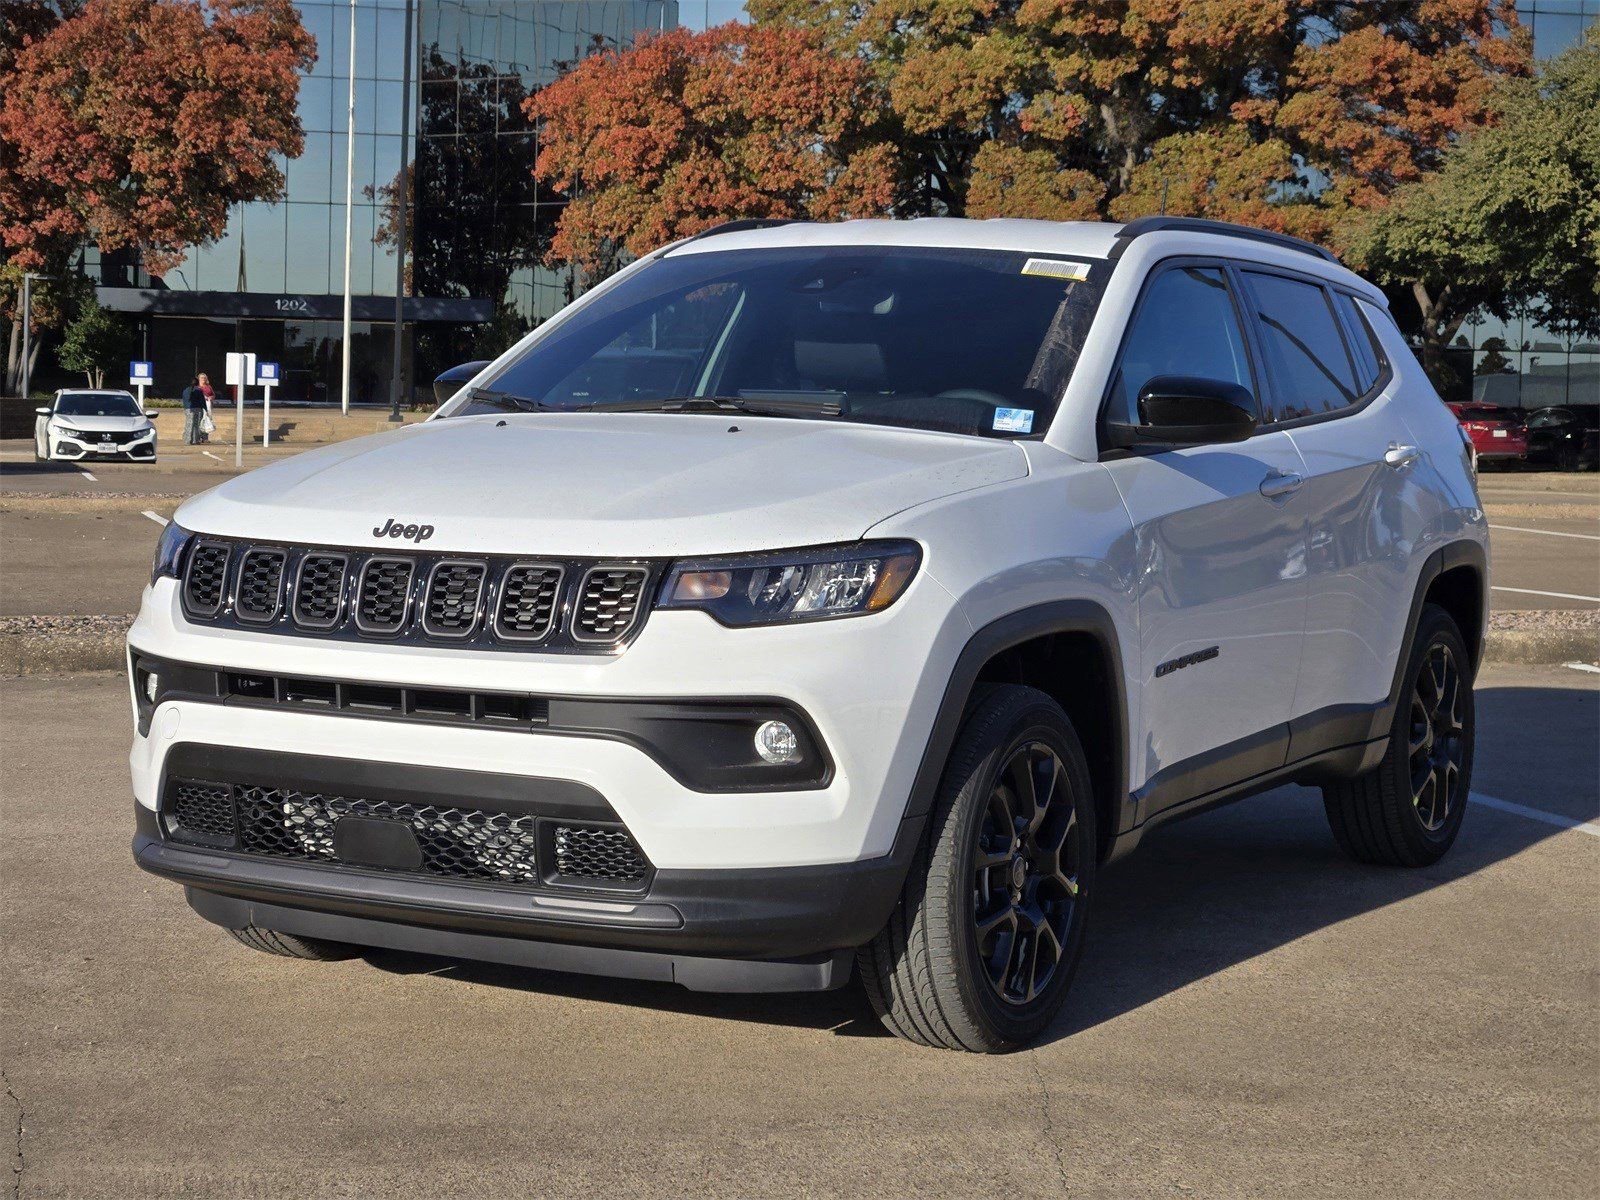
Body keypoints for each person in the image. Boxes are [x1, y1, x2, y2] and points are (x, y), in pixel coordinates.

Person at [181, 374, 212, 444]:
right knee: (197, 425)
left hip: (188, 409)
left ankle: (188, 440)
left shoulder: (185, 390)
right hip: (198, 409)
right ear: (197, 383)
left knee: (189, 424)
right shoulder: (199, 390)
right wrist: (205, 409)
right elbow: (202, 401)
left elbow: (184, 400)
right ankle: (196, 440)